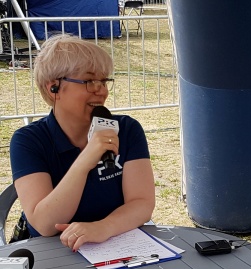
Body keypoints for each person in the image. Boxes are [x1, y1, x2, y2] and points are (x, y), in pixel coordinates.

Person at [9, 34, 156, 251]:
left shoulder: (126, 130)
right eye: (89, 81)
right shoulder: (28, 141)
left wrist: (102, 228)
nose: (101, 90)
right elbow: (45, 225)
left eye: (104, 81)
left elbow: (142, 204)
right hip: (51, 251)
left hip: (116, 242)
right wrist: (85, 159)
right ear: (54, 88)